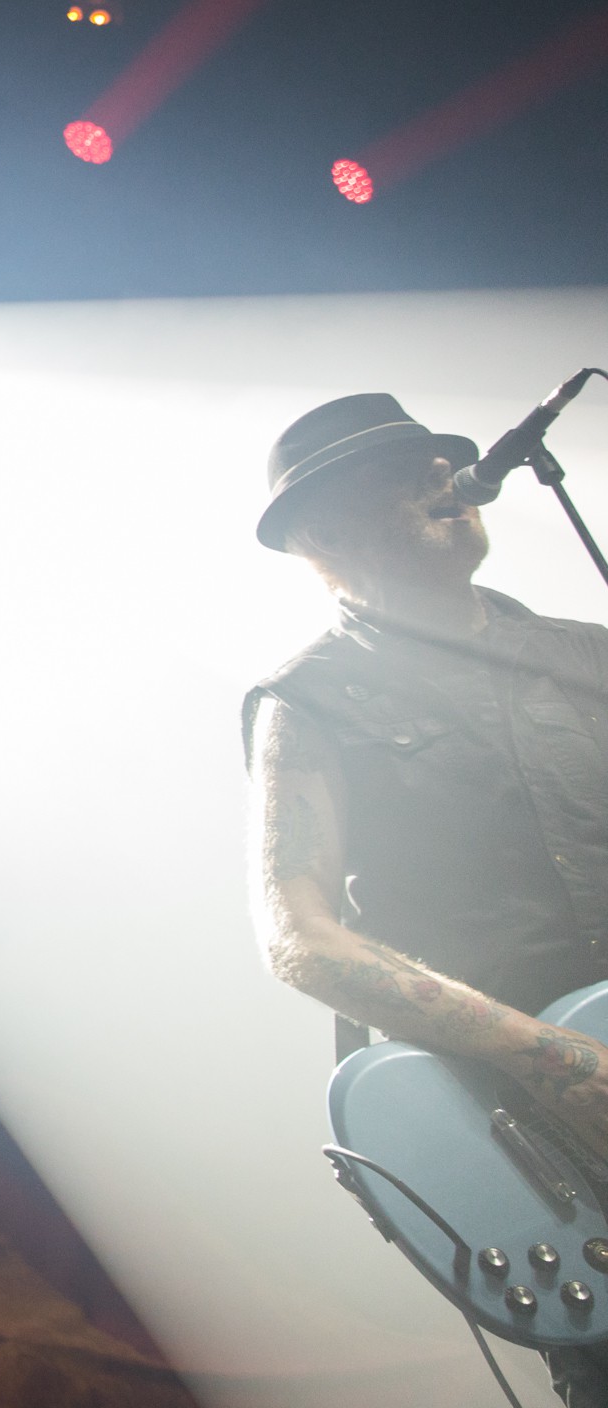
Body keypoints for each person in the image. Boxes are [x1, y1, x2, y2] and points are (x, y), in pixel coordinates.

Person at [245, 392, 608, 1406]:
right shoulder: (309, 697)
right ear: (320, 532)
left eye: (439, 463)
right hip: (545, 1140)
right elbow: (300, 937)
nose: (442, 480)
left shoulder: (592, 658)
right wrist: (547, 1054)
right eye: (397, 477)